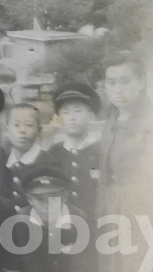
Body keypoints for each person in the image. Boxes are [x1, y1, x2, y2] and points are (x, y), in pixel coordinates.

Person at [98, 52, 149, 216]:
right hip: (112, 207)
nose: (118, 90)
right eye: (111, 83)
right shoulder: (110, 122)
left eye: (125, 82)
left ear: (141, 82)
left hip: (143, 207)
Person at [44, 83, 100, 219]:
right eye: (66, 112)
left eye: (78, 111)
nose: (72, 117)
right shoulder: (54, 152)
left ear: (91, 117)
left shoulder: (102, 150)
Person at [0, 104, 51, 213]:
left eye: (29, 125)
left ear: (39, 130)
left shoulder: (48, 162)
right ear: (6, 129)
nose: (22, 130)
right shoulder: (2, 160)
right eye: (16, 125)